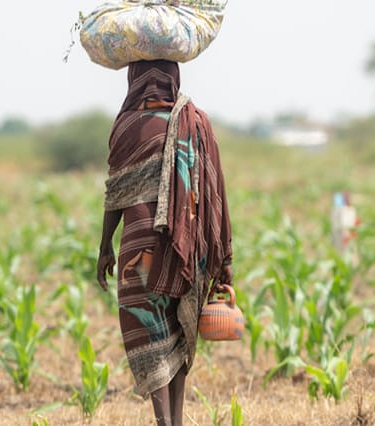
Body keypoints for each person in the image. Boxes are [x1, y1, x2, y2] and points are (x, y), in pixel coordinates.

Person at [96, 60, 233, 426]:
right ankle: (178, 420)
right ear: (174, 76)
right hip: (186, 248)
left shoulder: (125, 124)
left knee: (152, 335)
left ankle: (163, 422)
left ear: (134, 78)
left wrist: (105, 246)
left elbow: (116, 194)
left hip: (139, 251)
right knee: (179, 332)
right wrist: (224, 259)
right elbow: (214, 187)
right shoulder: (195, 120)